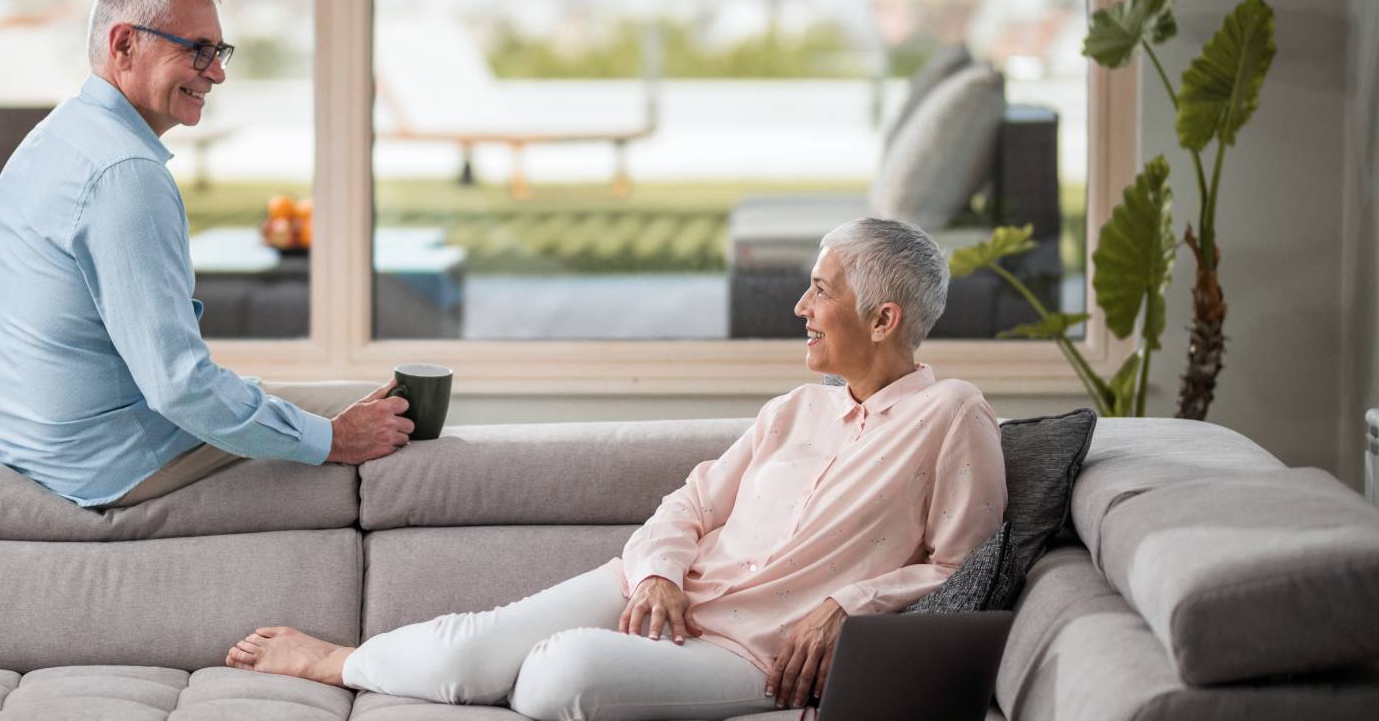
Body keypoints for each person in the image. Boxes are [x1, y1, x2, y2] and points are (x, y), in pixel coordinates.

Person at [226, 217, 1007, 720]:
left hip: (747, 651)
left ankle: (458, 673)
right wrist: (661, 572)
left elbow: (966, 566)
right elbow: (689, 504)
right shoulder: (793, 410)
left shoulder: (953, 415)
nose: (801, 305)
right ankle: (330, 659)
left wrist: (850, 602)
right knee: (476, 647)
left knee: (555, 676)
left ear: (882, 318)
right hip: (652, 591)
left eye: (820, 289)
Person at [0, 0, 412, 509]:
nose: (218, 72)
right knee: (377, 421)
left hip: (38, 446)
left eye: (219, 51)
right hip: (107, 464)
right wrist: (335, 439)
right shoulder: (123, 173)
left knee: (345, 408)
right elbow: (178, 386)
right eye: (198, 50)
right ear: (125, 44)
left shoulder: (57, 137)